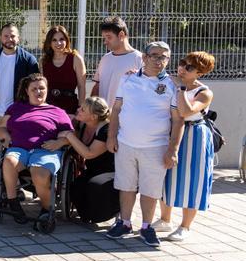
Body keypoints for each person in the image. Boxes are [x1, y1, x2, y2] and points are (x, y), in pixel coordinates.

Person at [105, 42, 183, 247]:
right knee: (126, 185)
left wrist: (172, 150)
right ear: (145, 57)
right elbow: (116, 109)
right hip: (125, 143)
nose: (159, 61)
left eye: (164, 57)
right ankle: (125, 223)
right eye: (155, 55)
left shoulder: (172, 85)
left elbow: (178, 120)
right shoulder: (128, 78)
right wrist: (111, 136)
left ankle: (147, 227)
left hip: (156, 147)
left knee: (151, 190)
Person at [155, 51, 216, 242]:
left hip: (195, 135)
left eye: (189, 67)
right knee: (167, 175)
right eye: (182, 63)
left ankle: (185, 226)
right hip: (172, 132)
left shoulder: (204, 92)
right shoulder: (174, 82)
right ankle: (165, 219)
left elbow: (186, 111)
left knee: (193, 179)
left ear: (200, 72)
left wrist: (181, 89)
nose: (182, 68)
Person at [0, 74, 74, 221]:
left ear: (47, 90)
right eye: (34, 89)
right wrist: (5, 137)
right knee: (8, 161)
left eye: (42, 88)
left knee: (39, 173)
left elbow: (70, 137)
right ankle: (13, 203)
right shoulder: (15, 108)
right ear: (27, 91)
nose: (38, 92)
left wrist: (60, 143)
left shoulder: (57, 112)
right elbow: (2, 127)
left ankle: (46, 208)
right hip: (19, 149)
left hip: (45, 151)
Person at [0, 23, 39, 194]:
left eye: (13, 36)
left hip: (20, 116)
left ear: (18, 38)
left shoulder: (28, 60)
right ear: (0, 38)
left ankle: (16, 188)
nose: (9, 39)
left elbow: (36, 89)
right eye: (6, 36)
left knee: (18, 152)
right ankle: (0, 185)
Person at [43, 97, 118, 223]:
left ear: (93, 116)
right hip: (93, 169)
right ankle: (88, 215)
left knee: (94, 185)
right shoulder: (83, 124)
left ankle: (109, 212)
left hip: (111, 171)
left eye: (83, 109)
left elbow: (88, 154)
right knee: (76, 186)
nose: (78, 110)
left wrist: (68, 136)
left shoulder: (105, 130)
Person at [91, 16, 142, 104]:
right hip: (104, 116)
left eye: (109, 37)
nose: (105, 42)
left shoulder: (139, 59)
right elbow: (97, 86)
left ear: (121, 35)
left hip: (126, 116)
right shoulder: (105, 58)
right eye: (104, 38)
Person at [40, 25, 86, 116]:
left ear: (67, 40)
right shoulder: (43, 61)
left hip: (70, 108)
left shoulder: (75, 58)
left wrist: (81, 108)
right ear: (49, 42)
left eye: (62, 39)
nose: (59, 43)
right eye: (54, 40)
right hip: (49, 108)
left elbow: (82, 87)